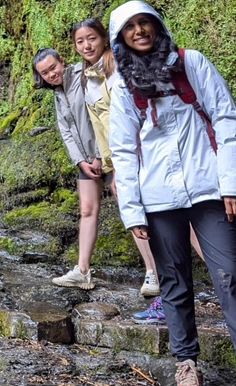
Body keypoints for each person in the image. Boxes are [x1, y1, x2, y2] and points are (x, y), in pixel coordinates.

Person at [108, 0, 236, 386]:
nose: (139, 31)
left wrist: (232, 184)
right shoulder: (121, 85)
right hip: (157, 198)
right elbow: (123, 149)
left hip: (209, 190)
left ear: (157, 25)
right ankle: (186, 362)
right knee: (173, 280)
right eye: (130, 27)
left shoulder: (192, 63)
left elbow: (226, 118)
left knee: (231, 275)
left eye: (145, 22)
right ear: (120, 37)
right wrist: (132, 212)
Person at [71, 18, 160, 297]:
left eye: (92, 38)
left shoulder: (118, 69)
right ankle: (154, 272)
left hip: (139, 156)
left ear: (104, 39)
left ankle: (167, 273)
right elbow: (99, 126)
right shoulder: (87, 75)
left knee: (165, 214)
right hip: (117, 161)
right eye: (80, 41)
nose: (87, 45)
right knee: (137, 216)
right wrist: (106, 163)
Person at [32, 46, 101, 290]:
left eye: (53, 67)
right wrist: (80, 161)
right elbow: (66, 132)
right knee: (87, 211)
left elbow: (101, 116)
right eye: (45, 72)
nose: (51, 74)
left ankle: (153, 272)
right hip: (85, 160)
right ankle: (82, 271)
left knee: (132, 209)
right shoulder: (57, 93)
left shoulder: (83, 77)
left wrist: (101, 155)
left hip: (107, 155)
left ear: (62, 61)